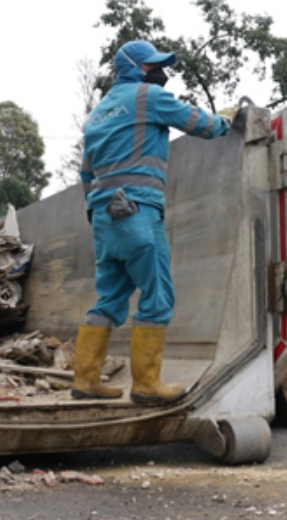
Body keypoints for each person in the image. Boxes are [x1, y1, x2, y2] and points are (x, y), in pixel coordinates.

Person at [72, 40, 231, 404]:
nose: (159, 71)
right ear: (134, 68)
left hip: (103, 216)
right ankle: (146, 384)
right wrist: (226, 121)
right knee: (157, 296)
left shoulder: (98, 113)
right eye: (152, 65)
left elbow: (85, 173)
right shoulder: (147, 97)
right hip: (138, 211)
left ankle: (86, 379)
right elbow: (198, 124)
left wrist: (96, 211)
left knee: (109, 298)